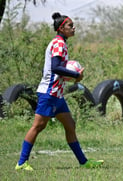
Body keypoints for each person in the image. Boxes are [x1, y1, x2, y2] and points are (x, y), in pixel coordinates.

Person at [15, 12, 103, 171]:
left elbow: (59, 70)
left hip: (57, 94)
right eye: (70, 26)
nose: (74, 28)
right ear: (61, 28)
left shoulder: (61, 42)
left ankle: (83, 162)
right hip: (49, 93)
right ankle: (21, 163)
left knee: (70, 125)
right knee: (38, 126)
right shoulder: (58, 43)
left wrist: (70, 76)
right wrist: (76, 75)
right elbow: (55, 67)